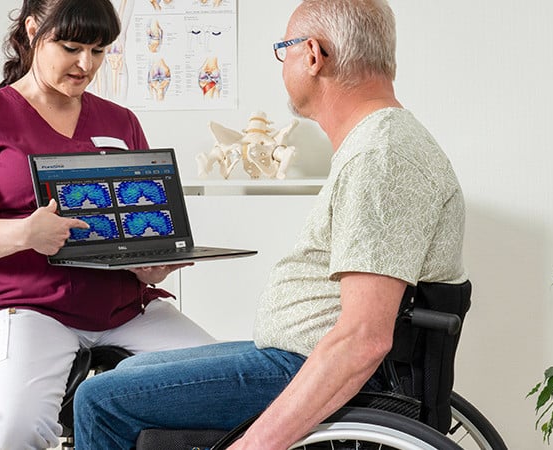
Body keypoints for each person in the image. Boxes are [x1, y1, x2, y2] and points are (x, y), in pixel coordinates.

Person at [72, 0, 467, 449]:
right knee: (129, 371)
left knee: (99, 400)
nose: (283, 64)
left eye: (285, 48)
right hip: (299, 354)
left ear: (313, 55)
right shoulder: (380, 142)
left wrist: (255, 444)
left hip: (315, 368)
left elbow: (363, 340)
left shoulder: (381, 155)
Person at [0, 0, 216, 448]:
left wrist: (153, 262)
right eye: (71, 47)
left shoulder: (121, 122)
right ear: (31, 31)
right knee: (11, 431)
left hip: (126, 309)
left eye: (99, 51)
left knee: (231, 387)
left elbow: (142, 221)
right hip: (26, 308)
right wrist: (25, 232)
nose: (86, 64)